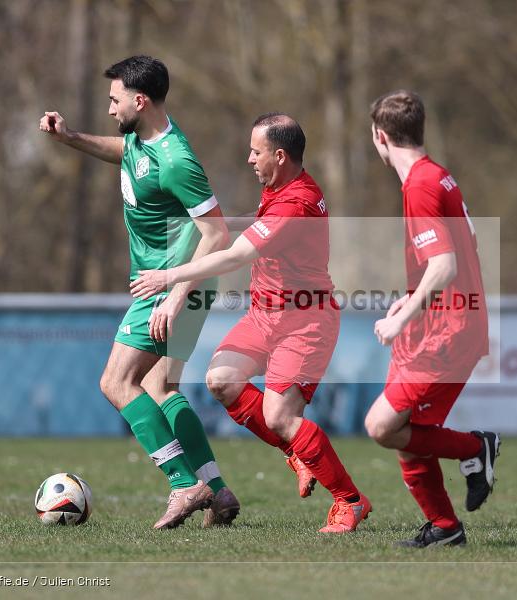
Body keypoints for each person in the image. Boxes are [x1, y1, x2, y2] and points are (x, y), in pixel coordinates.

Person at [131, 113, 372, 533]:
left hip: (304, 320)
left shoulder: (297, 202)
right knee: (221, 380)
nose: (248, 159)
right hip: (265, 314)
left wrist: (170, 276)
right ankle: (297, 451)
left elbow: (238, 256)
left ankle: (350, 500)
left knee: (281, 417)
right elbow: (254, 228)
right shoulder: (278, 189)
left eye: (255, 151)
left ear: (279, 156)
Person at [39, 55, 239, 529]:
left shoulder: (176, 160)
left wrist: (173, 294)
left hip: (172, 282)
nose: (110, 108)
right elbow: (123, 152)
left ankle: (182, 484)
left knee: (116, 382)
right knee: (159, 386)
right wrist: (70, 139)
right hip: (177, 283)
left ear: (140, 100)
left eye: (114, 100)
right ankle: (216, 490)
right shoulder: (140, 141)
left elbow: (217, 234)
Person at [363, 90, 500, 548]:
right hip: (434, 320)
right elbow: (457, 249)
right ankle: (444, 527)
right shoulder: (436, 177)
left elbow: (445, 265)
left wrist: (403, 319)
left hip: (448, 328)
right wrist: (411, 303)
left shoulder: (421, 185)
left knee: (382, 426)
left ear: (380, 137)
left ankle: (475, 447)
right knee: (405, 432)